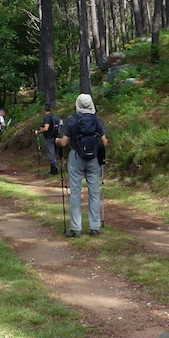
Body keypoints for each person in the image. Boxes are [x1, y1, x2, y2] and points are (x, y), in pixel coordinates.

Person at [57, 93, 109, 237]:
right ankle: (95, 227)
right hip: (93, 158)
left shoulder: (72, 119)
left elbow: (64, 142)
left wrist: (57, 141)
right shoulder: (96, 119)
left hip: (76, 157)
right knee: (94, 193)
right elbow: (105, 142)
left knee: (75, 192)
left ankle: (76, 229)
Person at [33, 103, 61, 176]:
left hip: (49, 138)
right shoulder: (53, 116)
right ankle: (56, 169)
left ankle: (54, 171)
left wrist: (38, 132)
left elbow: (46, 128)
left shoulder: (47, 117)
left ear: (44, 109)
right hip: (55, 137)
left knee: (51, 154)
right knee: (54, 154)